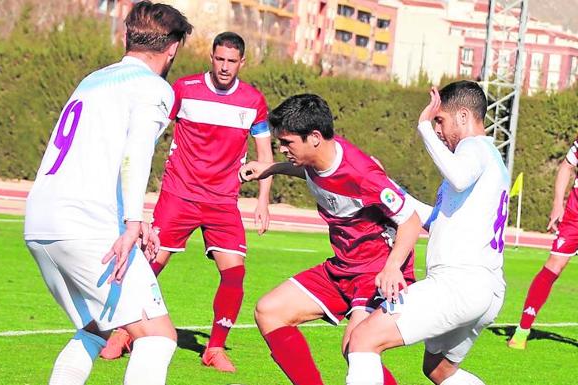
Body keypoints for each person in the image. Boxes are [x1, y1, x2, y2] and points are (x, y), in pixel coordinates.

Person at [23, 3, 192, 384]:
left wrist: (135, 218)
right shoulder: (154, 88)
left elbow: (98, 158)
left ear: (127, 37)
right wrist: (133, 223)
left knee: (96, 328)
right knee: (158, 339)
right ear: (173, 48)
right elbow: (136, 154)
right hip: (86, 227)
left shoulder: (93, 79)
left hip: (41, 222)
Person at [100, 31, 273, 372]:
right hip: (178, 196)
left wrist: (263, 201)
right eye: (219, 59)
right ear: (211, 57)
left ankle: (215, 348)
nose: (224, 67)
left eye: (231, 61)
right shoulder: (183, 89)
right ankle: (123, 331)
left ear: (242, 63)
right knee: (149, 266)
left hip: (223, 202)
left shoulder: (253, 101)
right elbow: (149, 135)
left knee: (235, 275)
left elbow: (265, 156)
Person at [239, 93, 422, 385]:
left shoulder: (363, 174)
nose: (282, 149)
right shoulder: (314, 159)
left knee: (356, 347)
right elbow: (308, 172)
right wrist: (269, 168)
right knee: (269, 311)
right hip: (343, 266)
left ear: (313, 137)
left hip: (375, 271)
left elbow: (411, 220)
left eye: (287, 143)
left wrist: (393, 267)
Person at [345, 81, 509, 385]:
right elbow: (433, 219)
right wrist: (387, 188)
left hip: (458, 284)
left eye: (440, 120)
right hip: (487, 290)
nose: (437, 129)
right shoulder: (491, 161)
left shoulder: (473, 148)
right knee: (438, 369)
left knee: (363, 339)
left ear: (463, 116)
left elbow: (458, 177)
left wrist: (421, 124)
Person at [508, 135, 578, 349]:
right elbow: (566, 167)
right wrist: (558, 204)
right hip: (575, 217)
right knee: (553, 267)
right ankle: (522, 329)